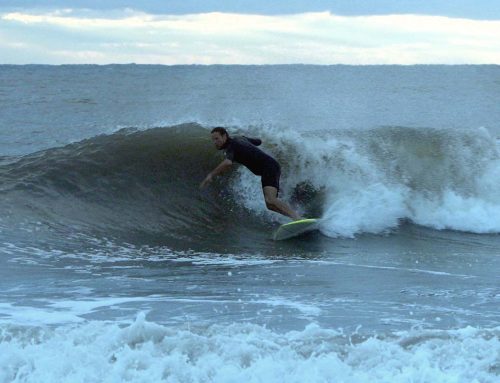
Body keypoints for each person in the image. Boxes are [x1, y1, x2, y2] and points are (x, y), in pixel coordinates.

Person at [200, 127, 301, 221]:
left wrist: (211, 175)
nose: (215, 142)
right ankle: (295, 218)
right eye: (213, 140)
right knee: (269, 205)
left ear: (225, 136)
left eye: (217, 139)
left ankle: (297, 218)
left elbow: (228, 162)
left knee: (271, 199)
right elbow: (258, 141)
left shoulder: (230, 146)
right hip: (270, 167)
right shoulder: (240, 138)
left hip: (269, 168)